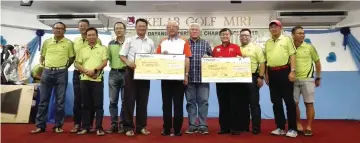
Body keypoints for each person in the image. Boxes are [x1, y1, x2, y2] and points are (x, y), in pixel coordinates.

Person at [31, 22, 75, 134]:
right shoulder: (46, 42)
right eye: (56, 28)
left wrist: (63, 67)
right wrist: (44, 66)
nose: (58, 30)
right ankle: (40, 126)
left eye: (61, 28)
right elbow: (42, 57)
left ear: (64, 30)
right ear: (53, 29)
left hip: (61, 72)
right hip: (47, 72)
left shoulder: (69, 43)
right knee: (43, 101)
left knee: (60, 102)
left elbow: (71, 58)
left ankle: (58, 126)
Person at [120, 18, 155, 136]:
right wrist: (128, 62)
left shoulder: (150, 42)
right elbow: (122, 55)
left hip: (145, 74)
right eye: (139, 26)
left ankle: (141, 127)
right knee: (129, 101)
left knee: (143, 101)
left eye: (143, 26)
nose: (141, 28)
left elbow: (153, 58)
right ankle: (128, 127)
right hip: (131, 73)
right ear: (136, 28)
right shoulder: (129, 40)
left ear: (146, 28)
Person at [156, 20, 191, 136]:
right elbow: (156, 57)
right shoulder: (162, 41)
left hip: (179, 78)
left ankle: (177, 129)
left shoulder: (184, 41)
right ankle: (166, 129)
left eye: (174, 27)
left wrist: (186, 75)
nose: (171, 29)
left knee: (178, 104)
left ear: (178, 29)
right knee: (166, 104)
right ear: (166, 29)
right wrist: (162, 56)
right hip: (165, 77)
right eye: (169, 27)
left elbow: (187, 59)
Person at [264, 20, 298, 138]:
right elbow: (267, 60)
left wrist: (292, 71)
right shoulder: (268, 42)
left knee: (289, 101)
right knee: (276, 102)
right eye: (271, 27)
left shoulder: (287, 39)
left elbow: (292, 55)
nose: (273, 29)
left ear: (280, 28)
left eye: (276, 27)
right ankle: (280, 127)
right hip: (272, 73)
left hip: (285, 72)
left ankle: (293, 128)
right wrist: (266, 74)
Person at [212, 28, 247, 135]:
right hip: (221, 81)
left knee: (234, 104)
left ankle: (235, 128)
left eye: (226, 34)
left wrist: (243, 59)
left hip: (234, 81)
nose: (225, 36)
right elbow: (212, 64)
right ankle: (224, 128)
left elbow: (242, 61)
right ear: (220, 36)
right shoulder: (216, 49)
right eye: (222, 35)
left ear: (229, 36)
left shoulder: (236, 47)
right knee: (223, 104)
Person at [71, 19, 101, 133]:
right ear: (78, 28)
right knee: (78, 100)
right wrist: (83, 70)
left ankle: (89, 125)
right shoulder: (75, 41)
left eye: (85, 26)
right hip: (78, 73)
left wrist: (94, 71)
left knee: (91, 101)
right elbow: (74, 58)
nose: (82, 27)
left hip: (93, 74)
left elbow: (100, 58)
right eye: (80, 26)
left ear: (88, 27)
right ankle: (77, 124)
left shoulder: (97, 41)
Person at [75, 27, 107, 136]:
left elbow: (104, 62)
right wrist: (86, 71)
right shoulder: (82, 50)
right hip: (84, 79)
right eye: (89, 35)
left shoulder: (102, 48)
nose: (91, 37)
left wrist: (95, 70)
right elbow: (77, 63)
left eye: (93, 35)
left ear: (97, 36)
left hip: (97, 79)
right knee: (86, 105)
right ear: (86, 37)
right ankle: (85, 127)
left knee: (98, 105)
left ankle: (98, 128)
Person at [291, 26, 321, 136]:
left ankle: (308, 126)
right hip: (293, 80)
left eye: (303, 33)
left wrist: (318, 77)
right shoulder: (289, 48)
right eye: (299, 33)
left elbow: (317, 62)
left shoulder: (309, 47)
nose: (302, 35)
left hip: (307, 79)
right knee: (294, 104)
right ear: (293, 35)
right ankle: (298, 124)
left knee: (309, 103)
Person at [184, 23, 212, 135]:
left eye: (196, 29)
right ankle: (192, 125)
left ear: (200, 31)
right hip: (189, 78)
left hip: (203, 79)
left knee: (203, 102)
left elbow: (212, 58)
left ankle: (203, 125)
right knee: (190, 102)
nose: (194, 31)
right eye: (192, 29)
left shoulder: (206, 43)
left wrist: (209, 57)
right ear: (189, 31)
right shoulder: (184, 43)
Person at [239, 28, 266, 134]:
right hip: (239, 79)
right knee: (242, 104)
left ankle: (256, 128)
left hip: (252, 77)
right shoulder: (237, 48)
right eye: (242, 35)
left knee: (254, 104)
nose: (244, 37)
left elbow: (262, 63)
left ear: (250, 37)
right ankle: (244, 126)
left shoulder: (256, 48)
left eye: (246, 35)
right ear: (239, 37)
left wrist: (260, 77)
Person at [106, 21, 127, 134]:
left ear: (124, 30)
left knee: (125, 101)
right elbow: (107, 58)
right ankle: (114, 124)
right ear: (114, 31)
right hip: (113, 74)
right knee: (113, 101)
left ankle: (122, 125)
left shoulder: (129, 43)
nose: (119, 30)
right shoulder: (110, 44)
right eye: (116, 28)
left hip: (126, 74)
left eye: (121, 28)